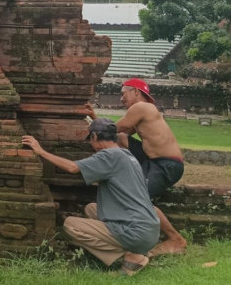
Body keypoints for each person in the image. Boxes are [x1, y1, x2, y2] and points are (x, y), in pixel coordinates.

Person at [22, 118, 159, 276]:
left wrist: (41, 151)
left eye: (90, 140)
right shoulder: (125, 154)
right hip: (148, 229)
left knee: (70, 225)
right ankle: (139, 249)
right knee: (91, 209)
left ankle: (132, 256)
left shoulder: (108, 156)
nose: (91, 145)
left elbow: (73, 167)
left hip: (135, 231)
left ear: (94, 137)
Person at [114, 78, 187, 256]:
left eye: (123, 94)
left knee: (139, 199)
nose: (121, 99)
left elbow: (118, 126)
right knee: (119, 138)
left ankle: (176, 239)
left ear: (136, 92)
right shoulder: (143, 111)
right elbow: (120, 133)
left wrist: (92, 126)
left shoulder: (141, 107)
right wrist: (94, 118)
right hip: (153, 161)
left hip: (166, 165)